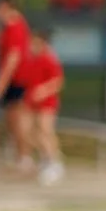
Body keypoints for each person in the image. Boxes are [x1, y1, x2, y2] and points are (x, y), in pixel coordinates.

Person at [0, 0, 36, 175]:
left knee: (17, 120)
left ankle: (25, 158)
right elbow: (5, 48)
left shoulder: (15, 25)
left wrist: (1, 82)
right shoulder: (9, 27)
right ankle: (20, 158)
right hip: (14, 80)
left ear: (6, 6)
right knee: (10, 120)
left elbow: (13, 58)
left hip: (18, 80)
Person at [16, 31, 65, 185]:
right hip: (30, 101)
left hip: (46, 103)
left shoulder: (49, 59)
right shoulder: (30, 59)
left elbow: (58, 81)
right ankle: (39, 158)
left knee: (45, 131)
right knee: (26, 131)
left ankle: (54, 163)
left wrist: (43, 90)